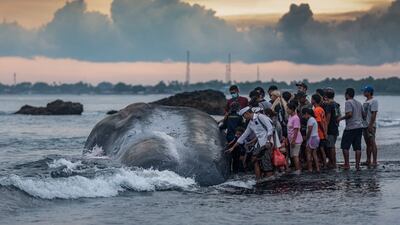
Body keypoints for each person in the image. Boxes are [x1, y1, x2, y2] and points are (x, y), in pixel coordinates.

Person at [227, 106, 274, 180]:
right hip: (259, 143)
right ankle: (258, 179)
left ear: (247, 113)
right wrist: (233, 147)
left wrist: (268, 141)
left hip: (266, 143)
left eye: (244, 116)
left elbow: (270, 128)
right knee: (254, 160)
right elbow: (244, 135)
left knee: (266, 163)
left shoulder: (260, 117)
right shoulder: (251, 123)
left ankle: (270, 179)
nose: (244, 118)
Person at [338, 88, 364, 170]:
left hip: (350, 127)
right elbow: (364, 115)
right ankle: (357, 165)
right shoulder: (359, 103)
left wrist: (340, 118)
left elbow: (349, 114)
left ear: (347, 94)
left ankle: (347, 164)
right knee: (357, 147)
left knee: (345, 146)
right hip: (359, 126)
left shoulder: (348, 102)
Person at [324, 88, 341, 168]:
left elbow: (328, 118)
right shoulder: (336, 104)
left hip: (330, 128)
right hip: (335, 127)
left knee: (331, 147)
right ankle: (333, 162)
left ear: (326, 96)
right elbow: (338, 117)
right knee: (332, 145)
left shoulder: (329, 105)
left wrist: (325, 130)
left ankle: (333, 163)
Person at [362, 85, 379, 167]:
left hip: (370, 125)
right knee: (368, 144)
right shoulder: (366, 101)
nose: (363, 92)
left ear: (369, 92)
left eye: (364, 91)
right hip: (364, 125)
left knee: (372, 143)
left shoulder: (374, 101)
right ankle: (368, 160)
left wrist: (370, 125)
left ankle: (375, 161)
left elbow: (374, 114)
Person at [311, 94, 328, 168]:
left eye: (312, 99)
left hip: (319, 133)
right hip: (321, 133)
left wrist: (324, 132)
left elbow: (319, 122)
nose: (311, 100)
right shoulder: (321, 109)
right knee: (321, 150)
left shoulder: (316, 110)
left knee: (319, 150)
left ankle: (322, 164)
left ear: (314, 100)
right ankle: (324, 164)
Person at [302, 108, 320, 172]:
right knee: (314, 154)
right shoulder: (313, 119)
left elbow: (309, 130)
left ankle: (310, 169)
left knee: (308, 153)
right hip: (316, 137)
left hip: (311, 138)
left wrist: (306, 138)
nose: (303, 117)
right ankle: (317, 168)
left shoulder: (310, 120)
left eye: (303, 115)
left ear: (306, 113)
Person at [287, 102, 303, 174]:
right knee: (293, 155)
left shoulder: (296, 118)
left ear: (292, 109)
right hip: (291, 139)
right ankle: (296, 169)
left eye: (288, 109)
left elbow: (296, 130)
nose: (287, 110)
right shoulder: (290, 116)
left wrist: (293, 140)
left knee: (295, 155)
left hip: (296, 140)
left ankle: (298, 170)